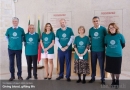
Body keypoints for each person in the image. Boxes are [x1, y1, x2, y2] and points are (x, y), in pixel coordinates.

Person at [105, 23, 125, 88]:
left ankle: (117, 81)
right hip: (109, 55)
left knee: (117, 70)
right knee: (111, 69)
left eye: (113, 27)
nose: (111, 29)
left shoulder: (120, 36)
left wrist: (117, 50)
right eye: (110, 28)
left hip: (117, 56)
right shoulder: (107, 36)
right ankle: (113, 81)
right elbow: (106, 44)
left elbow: (123, 44)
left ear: (116, 28)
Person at [88, 16, 107, 84]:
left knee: (101, 65)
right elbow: (90, 39)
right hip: (93, 50)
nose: (95, 22)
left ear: (99, 21)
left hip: (101, 50)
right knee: (93, 64)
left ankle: (103, 79)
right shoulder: (91, 30)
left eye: (97, 21)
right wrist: (89, 46)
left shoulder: (103, 29)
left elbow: (106, 38)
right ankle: (93, 78)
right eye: (94, 21)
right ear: (92, 22)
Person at [5, 17, 25, 81]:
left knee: (19, 62)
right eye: (13, 21)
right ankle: (12, 76)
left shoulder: (21, 29)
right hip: (11, 49)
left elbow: (23, 37)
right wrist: (10, 42)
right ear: (12, 22)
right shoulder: (9, 30)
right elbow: (6, 37)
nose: (15, 22)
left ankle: (19, 75)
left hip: (18, 48)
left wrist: (20, 42)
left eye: (16, 21)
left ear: (18, 22)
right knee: (11, 62)